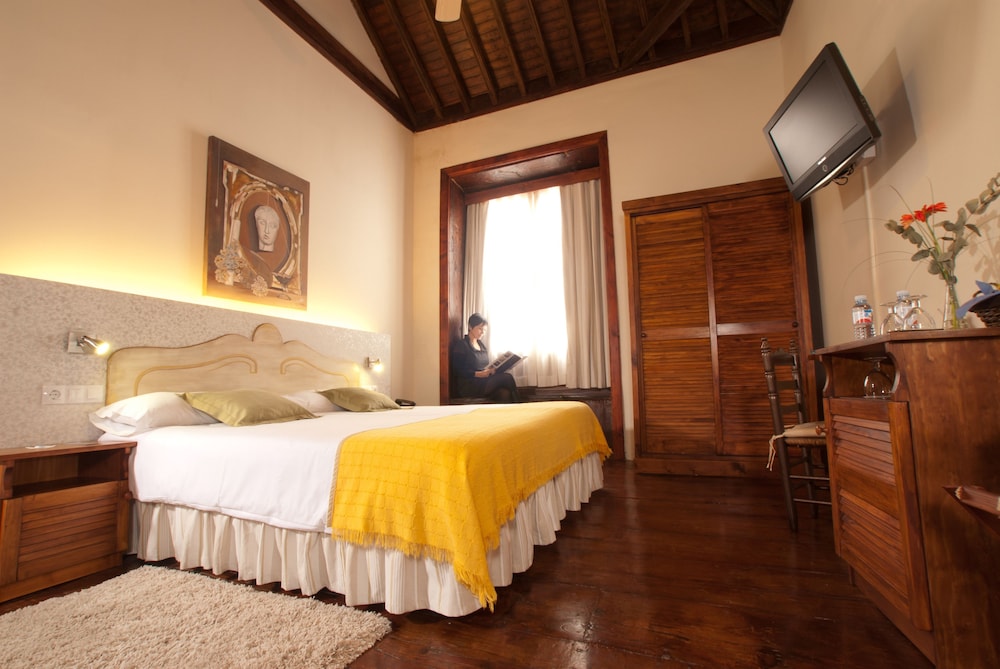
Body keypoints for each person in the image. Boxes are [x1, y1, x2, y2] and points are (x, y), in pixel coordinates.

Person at [449, 313, 520, 403]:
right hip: (470, 384)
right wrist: (478, 374)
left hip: (483, 381)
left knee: (504, 393)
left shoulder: (482, 345)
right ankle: (520, 406)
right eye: (480, 329)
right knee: (507, 378)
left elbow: (484, 366)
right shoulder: (462, 345)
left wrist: (491, 371)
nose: (483, 332)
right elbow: (457, 370)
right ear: (470, 327)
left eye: (485, 330)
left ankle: (512, 410)